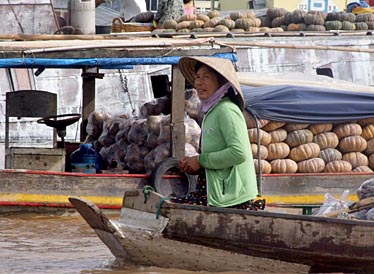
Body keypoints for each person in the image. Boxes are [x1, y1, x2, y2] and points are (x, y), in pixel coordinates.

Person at [171, 56, 264, 210]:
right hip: (216, 193)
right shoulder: (212, 111)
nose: (199, 83)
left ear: (222, 82)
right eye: (197, 77)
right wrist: (193, 164)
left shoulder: (226, 110)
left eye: (206, 77)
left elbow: (238, 153)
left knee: (169, 209)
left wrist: (201, 160)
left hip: (232, 197)